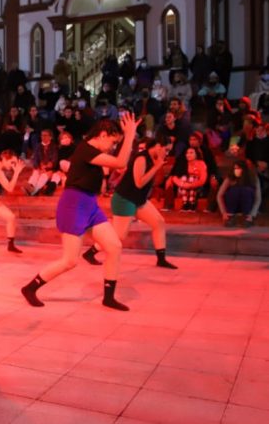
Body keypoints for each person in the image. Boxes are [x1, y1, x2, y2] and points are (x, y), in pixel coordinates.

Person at [21, 113, 141, 311]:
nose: (112, 146)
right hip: (74, 204)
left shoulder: (93, 152)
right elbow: (120, 163)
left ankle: (108, 298)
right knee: (70, 261)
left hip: (90, 204)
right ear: (103, 135)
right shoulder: (85, 149)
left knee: (114, 247)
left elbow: (120, 164)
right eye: (112, 141)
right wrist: (130, 135)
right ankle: (30, 288)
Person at [82, 134, 177, 269]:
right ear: (157, 146)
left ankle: (161, 259)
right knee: (119, 236)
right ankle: (90, 253)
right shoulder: (142, 158)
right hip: (124, 199)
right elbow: (139, 183)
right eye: (166, 150)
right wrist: (156, 167)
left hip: (139, 200)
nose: (167, 153)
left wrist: (156, 166)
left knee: (159, 222)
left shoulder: (153, 159)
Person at [217, 159, 261, 227]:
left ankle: (247, 218)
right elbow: (219, 195)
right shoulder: (230, 178)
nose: (236, 170)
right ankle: (230, 217)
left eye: (239, 168)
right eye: (235, 168)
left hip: (247, 206)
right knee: (234, 190)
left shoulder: (253, 178)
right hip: (233, 206)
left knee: (246, 190)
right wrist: (224, 212)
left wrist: (252, 214)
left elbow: (258, 198)